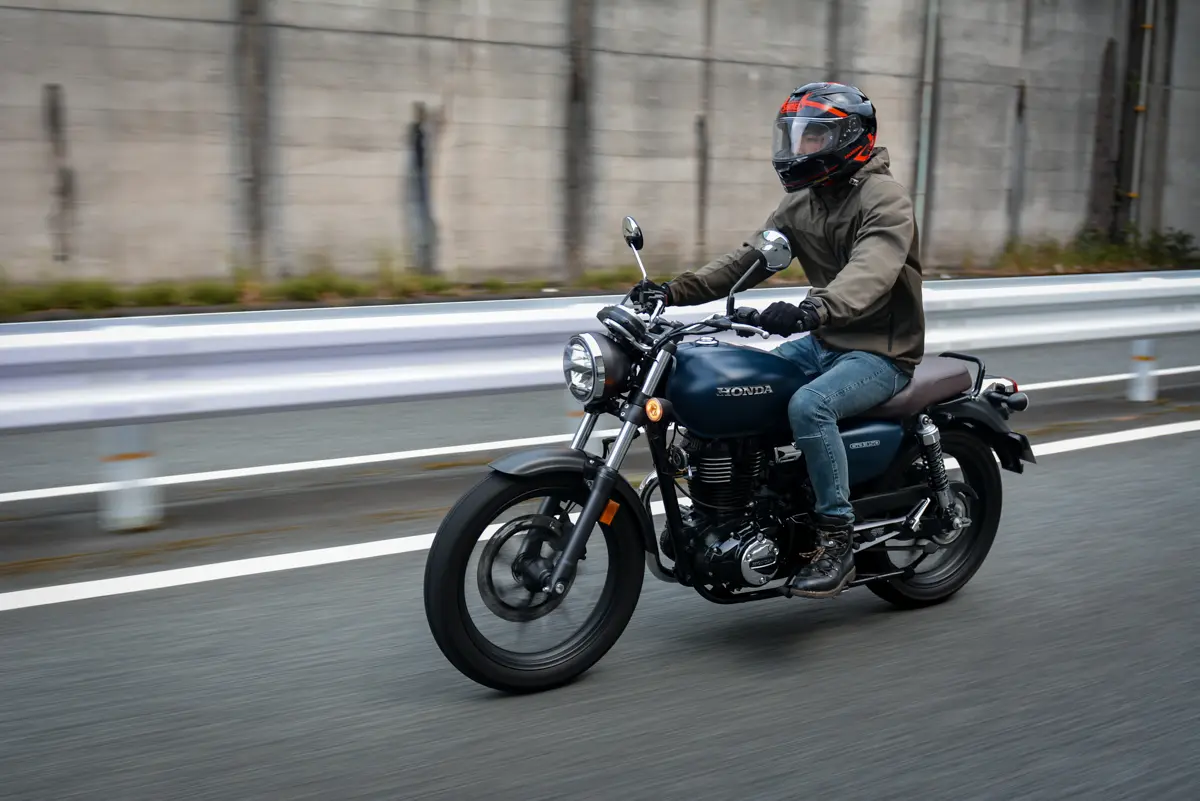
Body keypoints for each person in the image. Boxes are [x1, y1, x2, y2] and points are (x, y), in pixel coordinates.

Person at [638, 82, 926, 599]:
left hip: (881, 349)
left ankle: (835, 538)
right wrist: (672, 291)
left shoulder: (885, 200)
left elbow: (871, 270)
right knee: (743, 384)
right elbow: (747, 261)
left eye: (813, 138)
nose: (800, 150)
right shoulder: (801, 203)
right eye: (795, 137)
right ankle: (749, 506)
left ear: (849, 138)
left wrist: (813, 308)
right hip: (824, 340)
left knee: (810, 407)